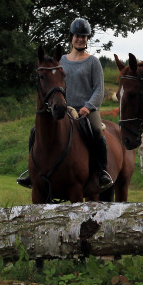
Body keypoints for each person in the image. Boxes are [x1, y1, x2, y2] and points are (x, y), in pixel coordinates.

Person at [17, 17, 114, 191]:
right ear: (72, 37)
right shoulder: (60, 61)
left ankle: (102, 172)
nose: (80, 39)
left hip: (87, 109)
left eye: (84, 36)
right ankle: (33, 172)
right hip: (64, 107)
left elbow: (99, 90)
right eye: (77, 35)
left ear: (87, 39)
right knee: (35, 131)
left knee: (97, 131)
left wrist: (88, 107)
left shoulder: (93, 62)